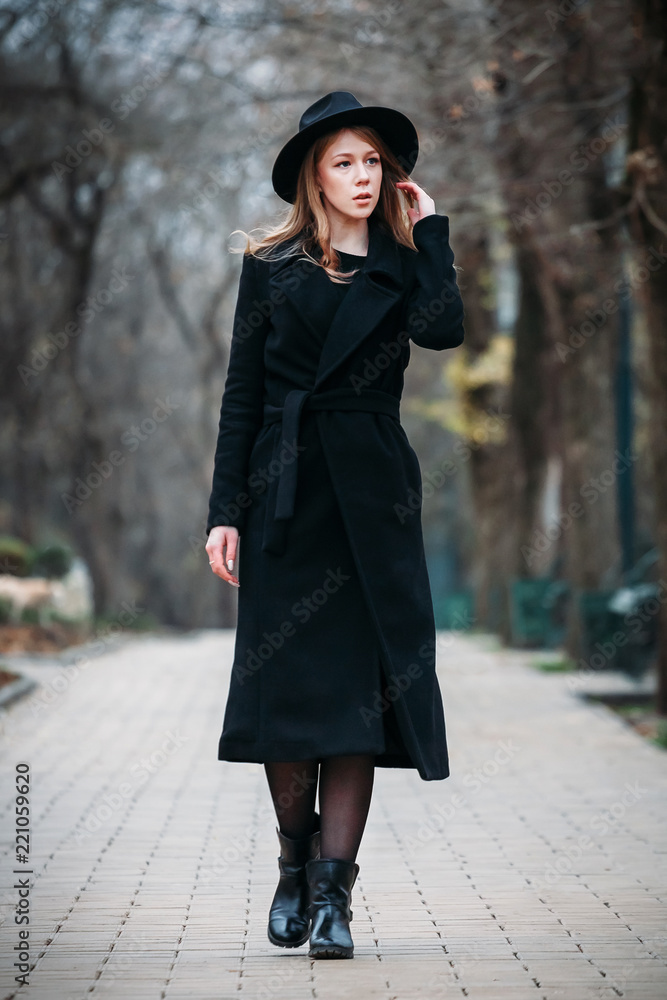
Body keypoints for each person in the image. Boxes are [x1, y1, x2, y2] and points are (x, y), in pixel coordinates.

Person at [205, 91, 465, 960]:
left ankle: (332, 899)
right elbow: (241, 399)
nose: (363, 176)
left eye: (374, 162)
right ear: (315, 176)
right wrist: (223, 515)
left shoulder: (400, 261)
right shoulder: (269, 266)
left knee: (358, 699)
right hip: (285, 497)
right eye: (345, 162)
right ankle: (293, 862)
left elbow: (445, 331)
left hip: (373, 498)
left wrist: (430, 235)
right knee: (292, 700)